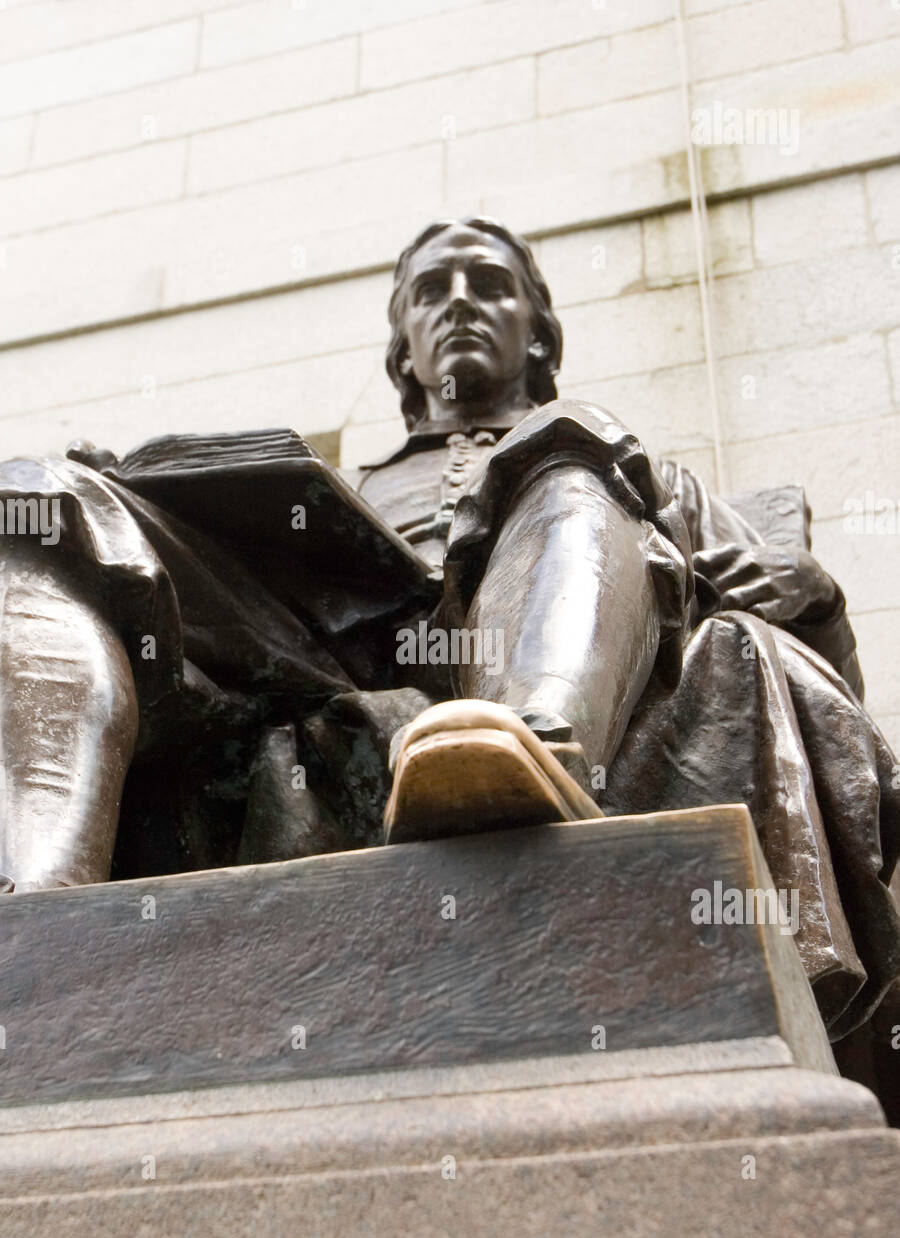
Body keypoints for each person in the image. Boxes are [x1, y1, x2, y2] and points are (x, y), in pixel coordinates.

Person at [0, 216, 897, 1055]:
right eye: (432, 291)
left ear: (537, 335)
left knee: (567, 443)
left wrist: (820, 601)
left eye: (489, 285)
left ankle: (534, 748)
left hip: (526, 684)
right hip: (318, 666)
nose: (460, 301)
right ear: (405, 350)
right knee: (40, 499)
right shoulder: (343, 487)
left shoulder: (633, 470)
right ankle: (44, 907)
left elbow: (835, 723)